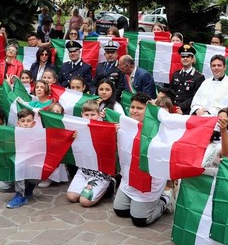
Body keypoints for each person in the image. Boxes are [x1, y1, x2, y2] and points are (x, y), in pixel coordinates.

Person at [113, 92, 175, 227]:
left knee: (140, 220)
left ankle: (165, 199)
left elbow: (171, 124)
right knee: (120, 211)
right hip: (129, 178)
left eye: (140, 108)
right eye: (132, 107)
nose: (134, 111)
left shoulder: (158, 128)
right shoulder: (124, 124)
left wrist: (156, 111)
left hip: (148, 182)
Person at [67, 100, 113, 207]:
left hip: (100, 173)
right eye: (86, 114)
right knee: (72, 197)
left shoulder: (104, 127)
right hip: (84, 170)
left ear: (98, 115)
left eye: (93, 114)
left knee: (84, 201)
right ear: (82, 115)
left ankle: (109, 184)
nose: (89, 117)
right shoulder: (78, 128)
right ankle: (86, 184)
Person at [6, 108, 41, 208]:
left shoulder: (40, 135)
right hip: (16, 169)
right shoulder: (11, 134)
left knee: (20, 164)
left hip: (33, 171)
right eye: (23, 121)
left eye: (28, 121)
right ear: (18, 123)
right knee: (2, 186)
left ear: (33, 123)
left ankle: (20, 195)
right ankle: (26, 190)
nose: (25, 123)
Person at [168, 44, 205, 115]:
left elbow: (196, 97)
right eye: (183, 56)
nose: (185, 58)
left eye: (188, 57)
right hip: (172, 108)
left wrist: (181, 107)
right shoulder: (176, 74)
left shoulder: (199, 77)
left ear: (192, 59)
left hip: (186, 111)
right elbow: (170, 91)